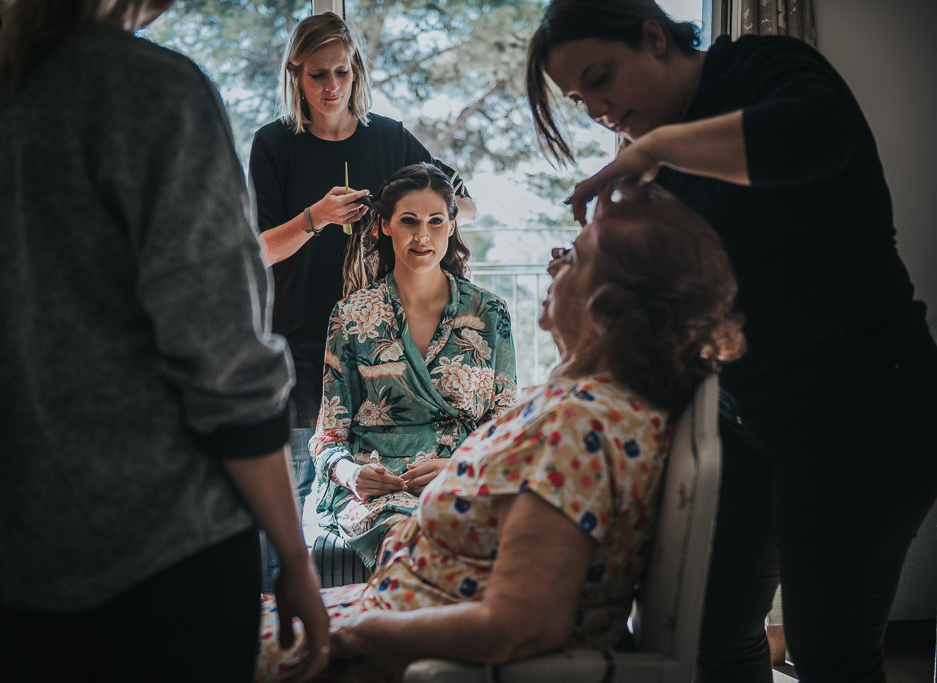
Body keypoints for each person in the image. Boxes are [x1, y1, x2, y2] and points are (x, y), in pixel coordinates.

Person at [0, 1, 327, 681]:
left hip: (14, 547)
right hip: (163, 555)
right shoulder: (156, 90)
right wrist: (294, 557)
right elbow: (228, 365)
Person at [524, 2, 937, 682]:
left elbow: (816, 135)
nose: (597, 109)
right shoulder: (656, 165)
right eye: (579, 99)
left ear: (654, 38)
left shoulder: (764, 67)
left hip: (864, 411)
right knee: (705, 633)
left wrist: (655, 150)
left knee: (830, 655)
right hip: (746, 418)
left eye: (601, 79)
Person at [254, 183, 745, 682]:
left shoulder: (580, 428)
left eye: (573, 258)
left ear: (610, 300)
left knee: (207, 646)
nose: (553, 262)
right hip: (393, 602)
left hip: (389, 638)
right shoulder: (569, 403)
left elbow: (519, 625)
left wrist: (352, 638)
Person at [248, 11, 476, 591]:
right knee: (288, 500)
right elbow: (255, 252)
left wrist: (416, 214)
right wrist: (314, 218)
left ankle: (367, 612)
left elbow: (463, 207)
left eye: (342, 73)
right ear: (294, 75)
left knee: (371, 494)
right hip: (298, 347)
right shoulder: (274, 145)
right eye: (317, 74)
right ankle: (276, 624)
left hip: (381, 350)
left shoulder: (390, 138)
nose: (331, 87)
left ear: (357, 73)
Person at [310, 163, 517, 567]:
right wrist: (351, 474)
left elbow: (504, 423)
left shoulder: (489, 311)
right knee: (407, 537)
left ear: (452, 225)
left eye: (436, 221)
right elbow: (327, 436)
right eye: (408, 221)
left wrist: (462, 463)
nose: (422, 235)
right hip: (377, 491)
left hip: (466, 477)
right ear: (385, 226)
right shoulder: (352, 315)